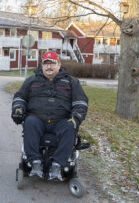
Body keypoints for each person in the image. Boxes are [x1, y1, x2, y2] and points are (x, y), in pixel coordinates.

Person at [11, 51, 88, 180]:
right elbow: (20, 97)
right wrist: (18, 108)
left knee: (70, 126)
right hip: (37, 119)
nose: (49, 67)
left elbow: (81, 102)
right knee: (29, 122)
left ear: (59, 65)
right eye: (46, 64)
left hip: (61, 120)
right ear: (42, 66)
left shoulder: (71, 82)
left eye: (52, 63)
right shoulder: (31, 80)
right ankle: (35, 163)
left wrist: (76, 117)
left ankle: (57, 165)